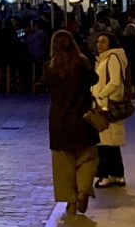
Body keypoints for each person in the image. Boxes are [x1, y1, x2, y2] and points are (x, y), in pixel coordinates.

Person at [44, 29, 99, 217]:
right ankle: (83, 191)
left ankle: (71, 201)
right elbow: (95, 79)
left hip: (59, 122)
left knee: (63, 165)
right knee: (87, 158)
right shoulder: (82, 65)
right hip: (83, 120)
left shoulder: (50, 69)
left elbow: (43, 84)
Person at [92, 32, 128, 188]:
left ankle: (107, 174)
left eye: (103, 42)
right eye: (98, 41)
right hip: (103, 103)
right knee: (109, 142)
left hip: (107, 105)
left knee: (106, 142)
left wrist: (100, 94)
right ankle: (116, 174)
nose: (99, 45)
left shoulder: (112, 58)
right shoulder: (104, 58)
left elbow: (114, 81)